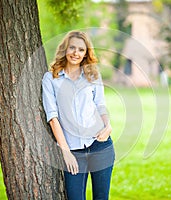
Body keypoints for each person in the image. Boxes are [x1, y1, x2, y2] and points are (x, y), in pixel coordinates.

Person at [42, 31, 115, 200]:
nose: (76, 53)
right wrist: (66, 152)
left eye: (81, 50)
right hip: (73, 149)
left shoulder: (93, 75)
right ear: (64, 49)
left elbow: (100, 105)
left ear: (85, 54)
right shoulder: (51, 78)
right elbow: (53, 117)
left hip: (100, 145)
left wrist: (108, 126)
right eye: (72, 48)